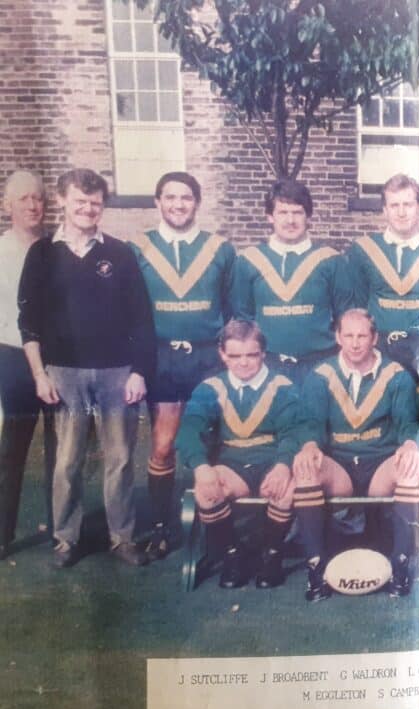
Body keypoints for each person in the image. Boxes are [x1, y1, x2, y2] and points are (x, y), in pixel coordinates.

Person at [18, 168, 156, 567]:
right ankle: (66, 539)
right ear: (62, 201)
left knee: (120, 458)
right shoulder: (43, 253)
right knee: (68, 460)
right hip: (64, 372)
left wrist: (138, 372)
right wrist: (40, 373)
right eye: (80, 201)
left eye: (95, 203)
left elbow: (141, 319)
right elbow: (28, 319)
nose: (88, 209)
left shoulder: (119, 252)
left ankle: (122, 537)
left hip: (117, 371)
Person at [129, 171, 237, 559]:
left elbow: (234, 309)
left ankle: (222, 527)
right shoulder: (137, 248)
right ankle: (162, 525)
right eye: (170, 198)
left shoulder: (220, 250)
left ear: (197, 202)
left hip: (209, 356)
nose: (178, 205)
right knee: (163, 444)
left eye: (186, 198)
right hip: (161, 358)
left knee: (219, 442)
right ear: (157, 202)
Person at [292, 309, 419, 601]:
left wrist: (410, 444)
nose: (355, 343)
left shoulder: (396, 375)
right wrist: (310, 445)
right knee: (306, 467)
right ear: (337, 337)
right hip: (340, 467)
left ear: (375, 338)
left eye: (362, 335)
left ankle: (401, 565)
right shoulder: (320, 375)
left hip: (379, 466)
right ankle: (315, 568)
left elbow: (407, 423)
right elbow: (310, 423)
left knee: (410, 467)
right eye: (348, 335)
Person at [176, 320, 304, 589]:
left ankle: (272, 556)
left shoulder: (282, 386)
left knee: (290, 487)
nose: (243, 363)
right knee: (206, 490)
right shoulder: (210, 388)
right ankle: (233, 556)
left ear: (263, 354)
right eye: (235, 356)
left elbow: (292, 433)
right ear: (222, 354)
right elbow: (188, 431)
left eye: (251, 355)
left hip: (271, 460)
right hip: (233, 464)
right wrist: (201, 467)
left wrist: (283, 465)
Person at [230, 180, 353, 383]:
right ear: (270, 216)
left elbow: (346, 315)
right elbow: (244, 318)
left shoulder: (331, 259)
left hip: (320, 363)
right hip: (267, 366)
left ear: (308, 216)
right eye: (282, 212)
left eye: (297, 212)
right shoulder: (248, 260)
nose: (290, 220)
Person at [348, 174, 419, 378]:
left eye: (408, 204)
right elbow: (358, 305)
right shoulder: (362, 251)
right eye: (394, 205)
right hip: (378, 350)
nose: (402, 212)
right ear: (385, 211)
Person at [0, 170, 54, 558]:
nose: (33, 206)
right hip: (13, 360)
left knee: (62, 449)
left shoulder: (57, 249)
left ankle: (60, 528)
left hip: (56, 360)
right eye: (24, 199)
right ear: (7, 206)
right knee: (11, 452)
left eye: (38, 198)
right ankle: (3, 533)